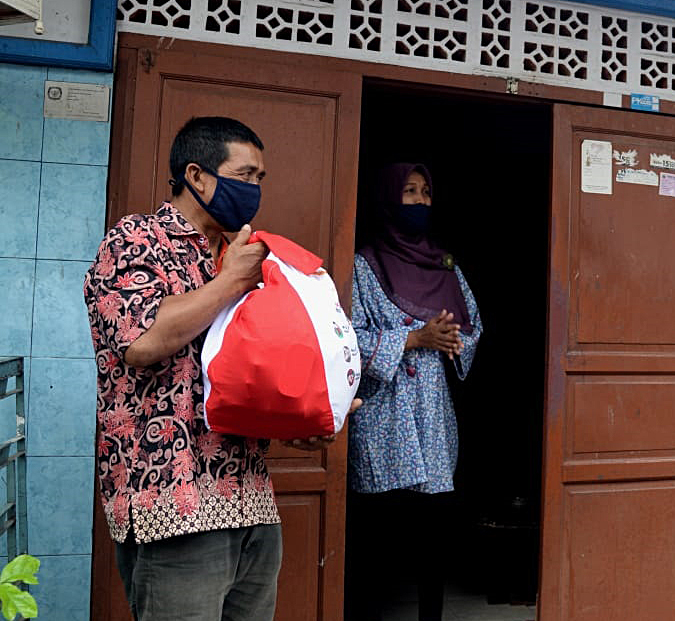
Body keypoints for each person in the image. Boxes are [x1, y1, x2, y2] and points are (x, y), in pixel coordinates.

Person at [84, 116, 354, 621]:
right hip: (173, 503)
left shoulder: (239, 257)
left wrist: (300, 422)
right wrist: (231, 283)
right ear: (198, 176)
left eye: (260, 179)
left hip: (249, 501)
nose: (255, 190)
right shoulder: (135, 243)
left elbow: (247, 380)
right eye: (246, 175)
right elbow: (140, 341)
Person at [345, 163, 483, 621]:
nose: (421, 201)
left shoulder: (446, 265)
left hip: (431, 408)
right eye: (410, 191)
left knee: (432, 526)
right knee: (380, 522)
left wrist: (452, 339)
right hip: (385, 412)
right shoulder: (365, 263)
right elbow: (346, 337)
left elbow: (472, 325)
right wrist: (411, 339)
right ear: (389, 198)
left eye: (426, 192)